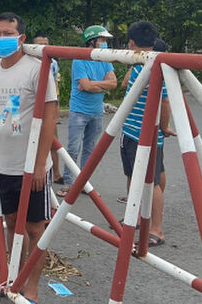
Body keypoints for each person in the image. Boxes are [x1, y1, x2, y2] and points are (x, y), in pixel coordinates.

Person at [0, 12, 57, 304]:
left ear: (21, 38)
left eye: (7, 33)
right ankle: (13, 279)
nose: (0, 38)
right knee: (12, 224)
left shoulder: (37, 70)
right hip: (2, 163)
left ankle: (32, 288)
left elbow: (50, 116)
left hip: (31, 165)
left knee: (37, 228)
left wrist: (40, 163)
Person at [120, 26, 174, 247]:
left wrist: (164, 126)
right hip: (130, 130)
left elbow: (165, 100)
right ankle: (136, 217)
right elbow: (125, 85)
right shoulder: (140, 65)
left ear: (131, 43)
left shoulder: (157, 68)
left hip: (147, 134)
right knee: (133, 175)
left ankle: (156, 229)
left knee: (151, 181)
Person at [56, 26, 117, 197]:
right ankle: (69, 183)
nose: (104, 43)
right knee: (74, 148)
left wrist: (93, 85)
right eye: (102, 40)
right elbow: (86, 85)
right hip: (79, 111)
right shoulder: (80, 59)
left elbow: (113, 83)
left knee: (90, 149)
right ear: (92, 40)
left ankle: (82, 182)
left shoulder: (106, 59)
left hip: (96, 111)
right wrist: (100, 85)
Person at [32, 33, 62, 185]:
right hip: (31, 108)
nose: (44, 47)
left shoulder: (53, 63)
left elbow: (55, 88)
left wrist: (55, 110)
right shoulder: (29, 63)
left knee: (52, 141)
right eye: (40, 44)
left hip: (49, 105)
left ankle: (56, 173)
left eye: (47, 43)